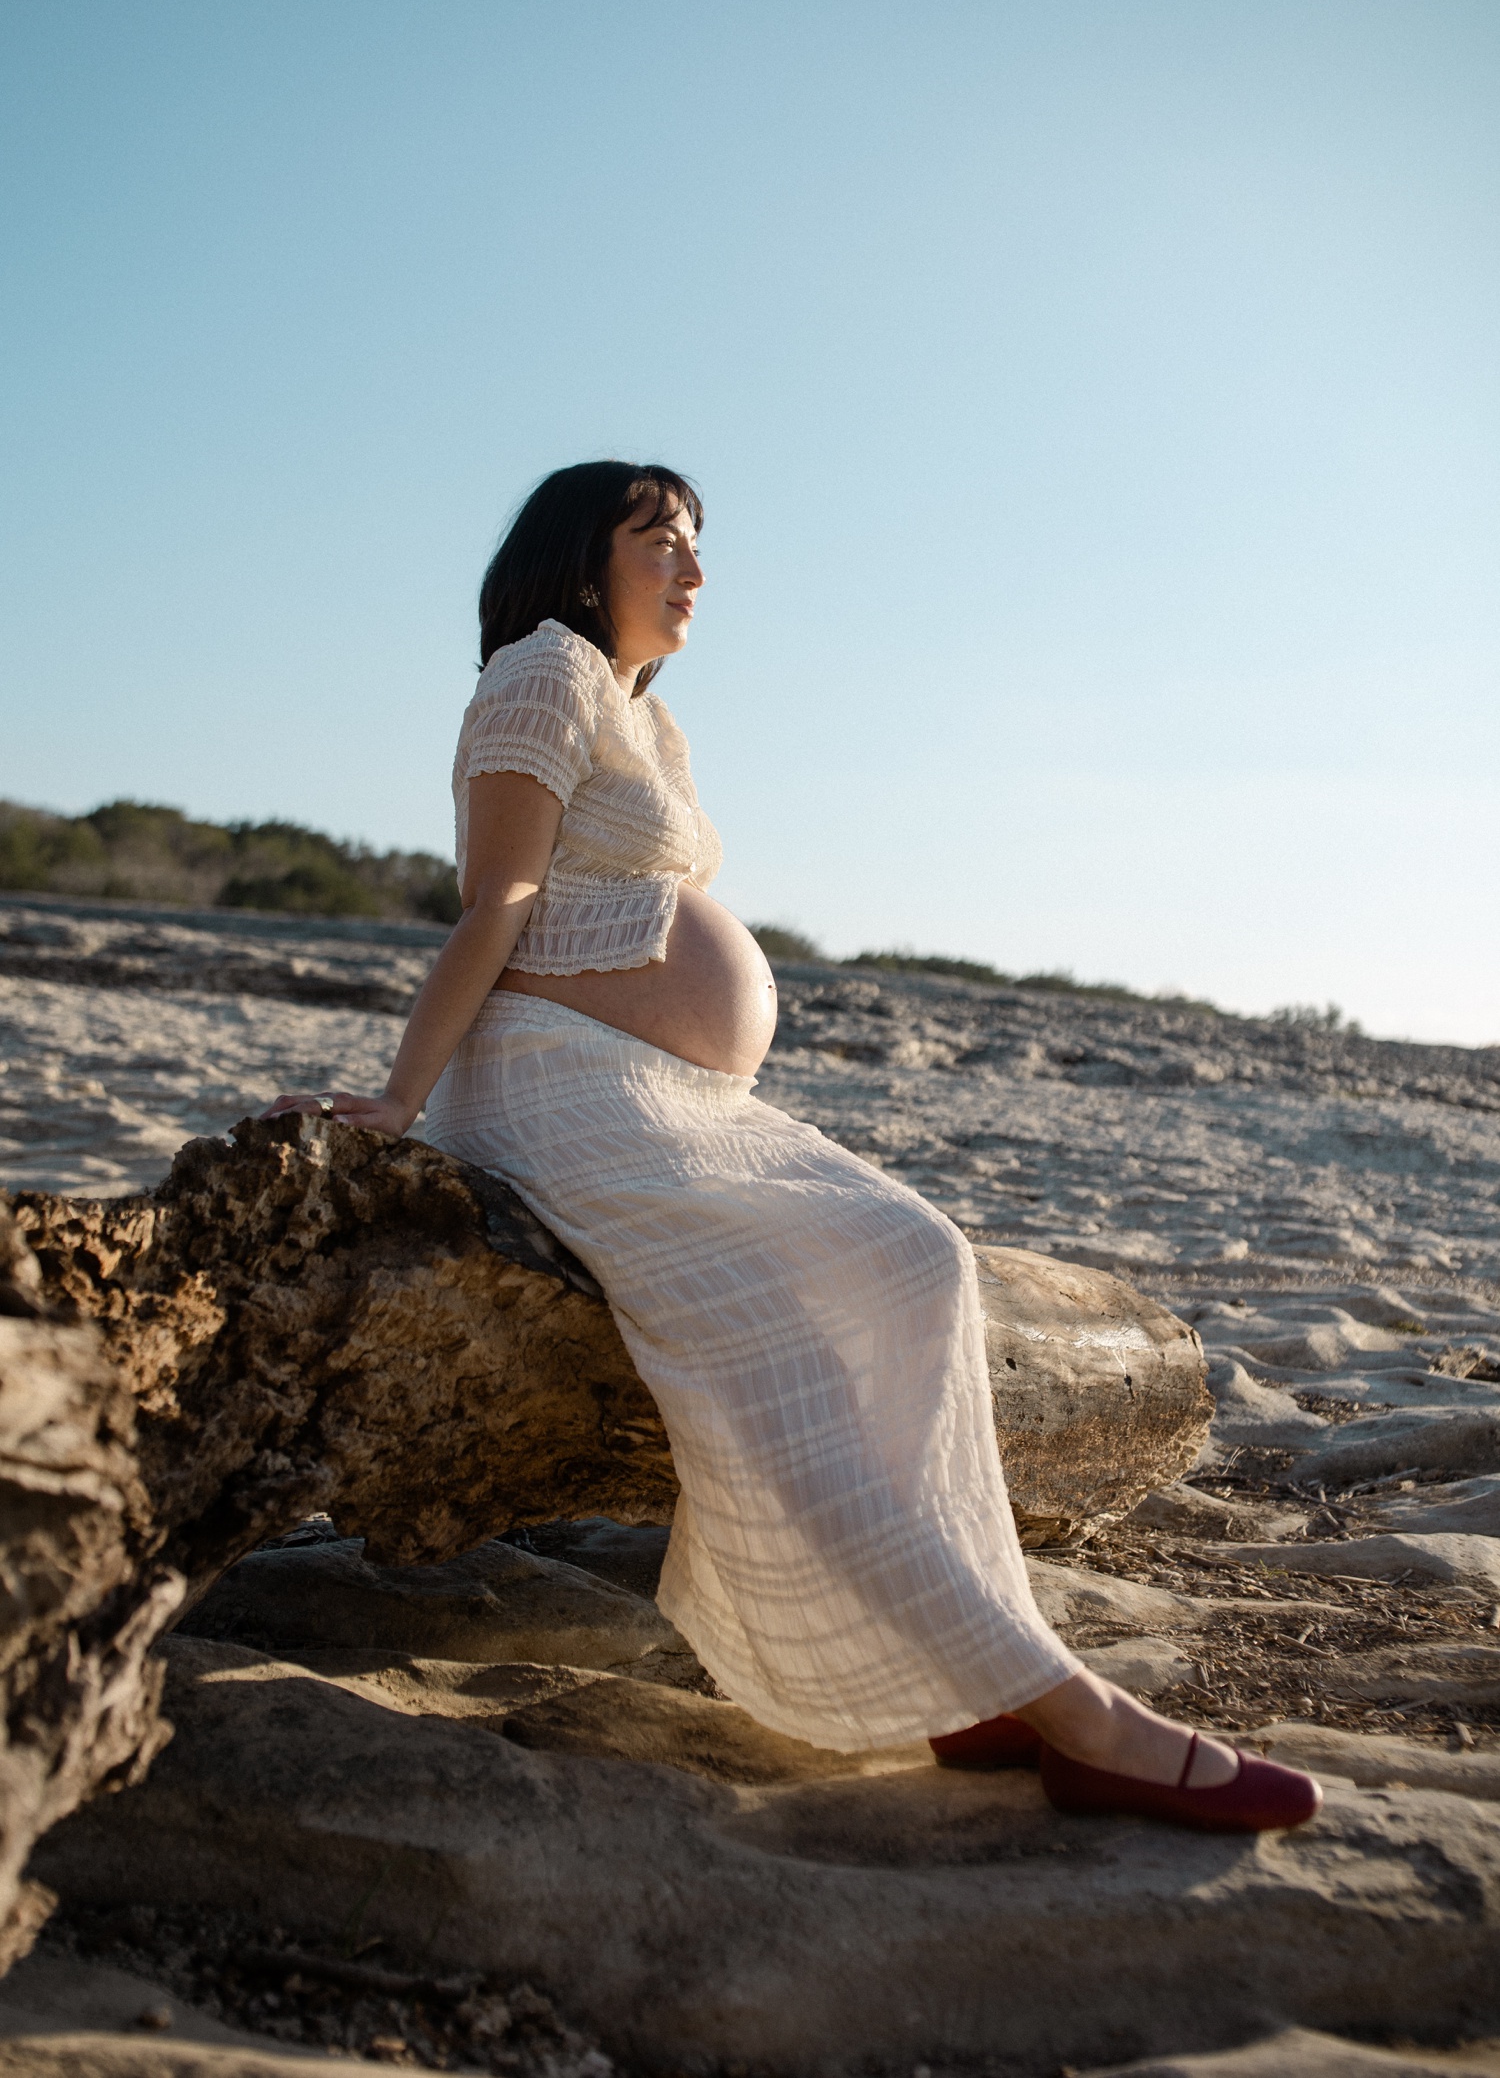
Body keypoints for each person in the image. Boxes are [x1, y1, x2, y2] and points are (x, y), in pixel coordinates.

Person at [265, 460, 1319, 1833]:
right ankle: (1068, 1708)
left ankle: (976, 1670)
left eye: (700, 541)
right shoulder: (543, 671)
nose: (693, 566)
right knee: (786, 1334)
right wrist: (402, 1098)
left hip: (652, 1090)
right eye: (661, 539)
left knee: (918, 1259)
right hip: (547, 1084)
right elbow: (497, 903)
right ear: (585, 561)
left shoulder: (654, 722)